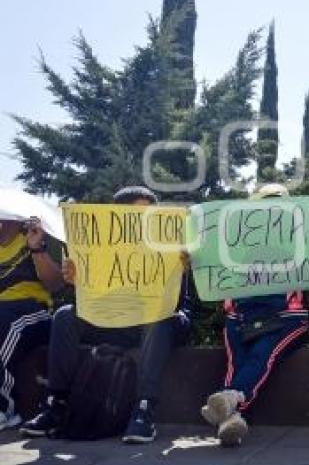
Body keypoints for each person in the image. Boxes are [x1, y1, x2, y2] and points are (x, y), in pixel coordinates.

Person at [21, 186, 195, 444]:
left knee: (157, 316)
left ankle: (144, 411)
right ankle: (54, 405)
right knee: (65, 316)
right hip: (115, 319)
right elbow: (96, 297)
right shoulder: (101, 244)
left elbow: (180, 300)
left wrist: (186, 266)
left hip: (162, 319)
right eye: (134, 216)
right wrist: (78, 279)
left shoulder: (172, 243)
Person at [199, 184, 309, 447]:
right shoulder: (238, 238)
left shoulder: (303, 233)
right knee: (237, 360)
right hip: (242, 316)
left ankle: (233, 400)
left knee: (262, 352)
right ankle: (232, 416)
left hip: (286, 316)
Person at [0, 215, 63, 430]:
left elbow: (56, 284)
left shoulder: (36, 236)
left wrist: (37, 249)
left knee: (4, 322)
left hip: (33, 311)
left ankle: (3, 408)